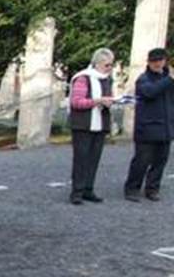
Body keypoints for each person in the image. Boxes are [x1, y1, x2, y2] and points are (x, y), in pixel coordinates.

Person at [123, 47, 173, 202]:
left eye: (160, 60)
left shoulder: (169, 80)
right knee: (141, 161)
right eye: (154, 61)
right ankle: (132, 188)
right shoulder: (144, 79)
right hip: (147, 128)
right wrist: (169, 79)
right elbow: (150, 92)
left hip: (166, 127)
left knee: (160, 161)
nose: (158, 64)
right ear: (149, 62)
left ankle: (152, 189)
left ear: (165, 61)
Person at [67, 48, 116, 205]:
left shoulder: (107, 79)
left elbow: (107, 98)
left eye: (111, 65)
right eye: (107, 65)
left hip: (100, 123)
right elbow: (76, 102)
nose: (110, 68)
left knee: (94, 158)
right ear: (98, 63)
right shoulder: (82, 78)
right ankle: (77, 191)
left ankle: (88, 189)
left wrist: (111, 101)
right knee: (81, 159)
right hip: (83, 124)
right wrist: (98, 101)